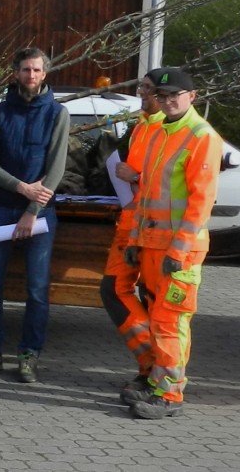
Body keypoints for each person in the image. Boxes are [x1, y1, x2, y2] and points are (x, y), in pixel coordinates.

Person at [122, 67, 222, 419]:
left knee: (170, 322)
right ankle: (157, 384)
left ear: (191, 97)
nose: (166, 102)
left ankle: (169, 395)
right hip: (152, 243)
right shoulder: (158, 132)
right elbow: (147, 195)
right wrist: (135, 239)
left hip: (179, 250)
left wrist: (178, 250)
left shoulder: (201, 136)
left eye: (174, 96)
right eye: (161, 97)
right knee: (158, 319)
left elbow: (201, 202)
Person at [0, 47, 67, 383]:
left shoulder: (57, 113)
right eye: (25, 70)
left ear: (45, 74)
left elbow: (56, 169)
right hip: (1, 209)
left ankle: (28, 354)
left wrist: (32, 210)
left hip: (40, 214)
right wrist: (22, 188)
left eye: (37, 70)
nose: (31, 76)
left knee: (37, 289)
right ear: (15, 73)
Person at [103, 69, 165, 402]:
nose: (143, 93)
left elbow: (166, 182)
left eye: (149, 89)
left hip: (154, 230)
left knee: (156, 304)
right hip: (132, 222)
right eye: (142, 87)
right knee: (113, 289)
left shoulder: (165, 130)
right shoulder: (143, 125)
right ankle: (150, 363)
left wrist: (135, 176)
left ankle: (155, 369)